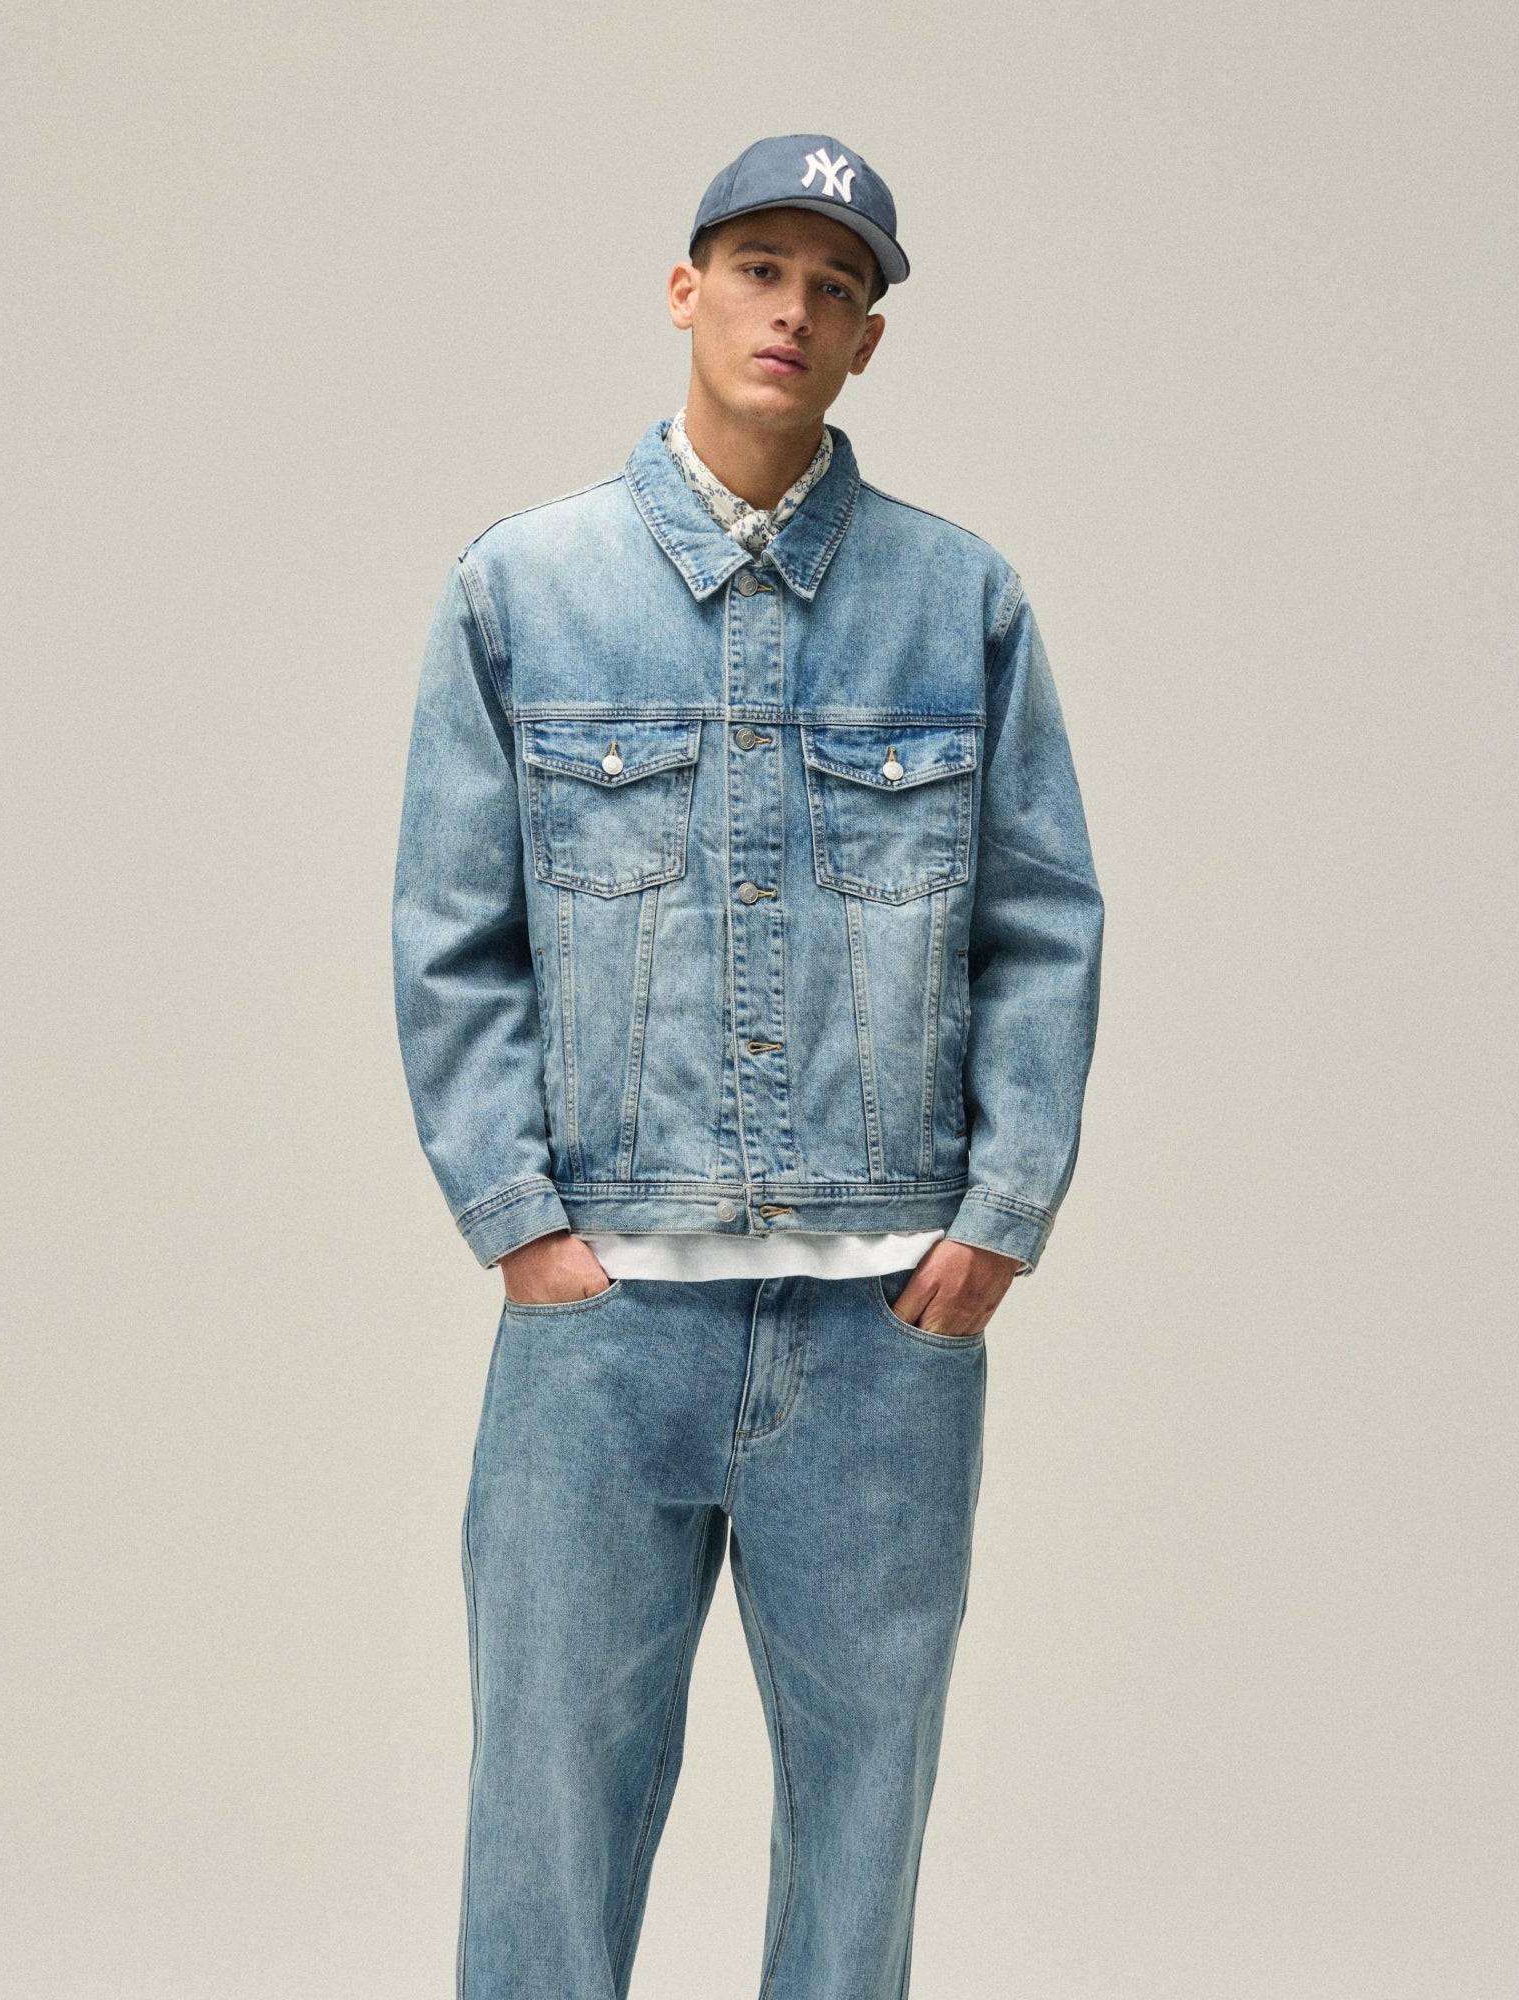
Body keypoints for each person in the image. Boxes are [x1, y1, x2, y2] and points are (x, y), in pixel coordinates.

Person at [393, 131, 1103, 2000]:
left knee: (865, 1824)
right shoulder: (524, 590)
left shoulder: (961, 601)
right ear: (685, 289)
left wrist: (1001, 1216)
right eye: (761, 269)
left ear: (868, 340)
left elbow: (1042, 920)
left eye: (836, 286)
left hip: (883, 1333)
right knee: (547, 1814)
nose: (794, 308)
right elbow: (453, 936)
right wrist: (520, 1223)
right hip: (604, 1325)